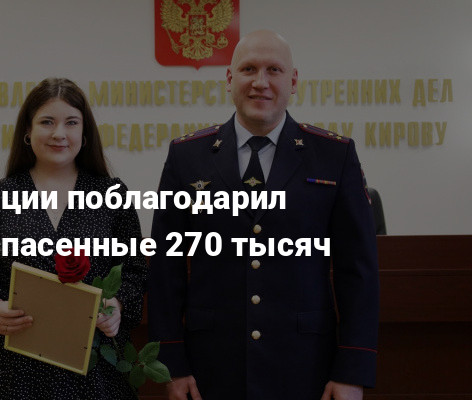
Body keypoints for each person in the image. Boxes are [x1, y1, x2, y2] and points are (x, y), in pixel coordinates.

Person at [147, 30, 379, 400]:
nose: (260, 82)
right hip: (210, 368)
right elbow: (165, 268)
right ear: (229, 78)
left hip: (305, 366)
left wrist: (352, 370)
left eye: (274, 70)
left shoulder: (333, 156)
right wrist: (171, 364)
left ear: (293, 81)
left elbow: (358, 271)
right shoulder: (187, 157)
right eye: (248, 69)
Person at [0, 78, 147, 399]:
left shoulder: (111, 194)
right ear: (27, 132)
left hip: (94, 371)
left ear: (84, 133)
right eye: (47, 122)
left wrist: (117, 304)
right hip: (15, 371)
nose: (59, 133)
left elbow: (136, 271)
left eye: (71, 123)